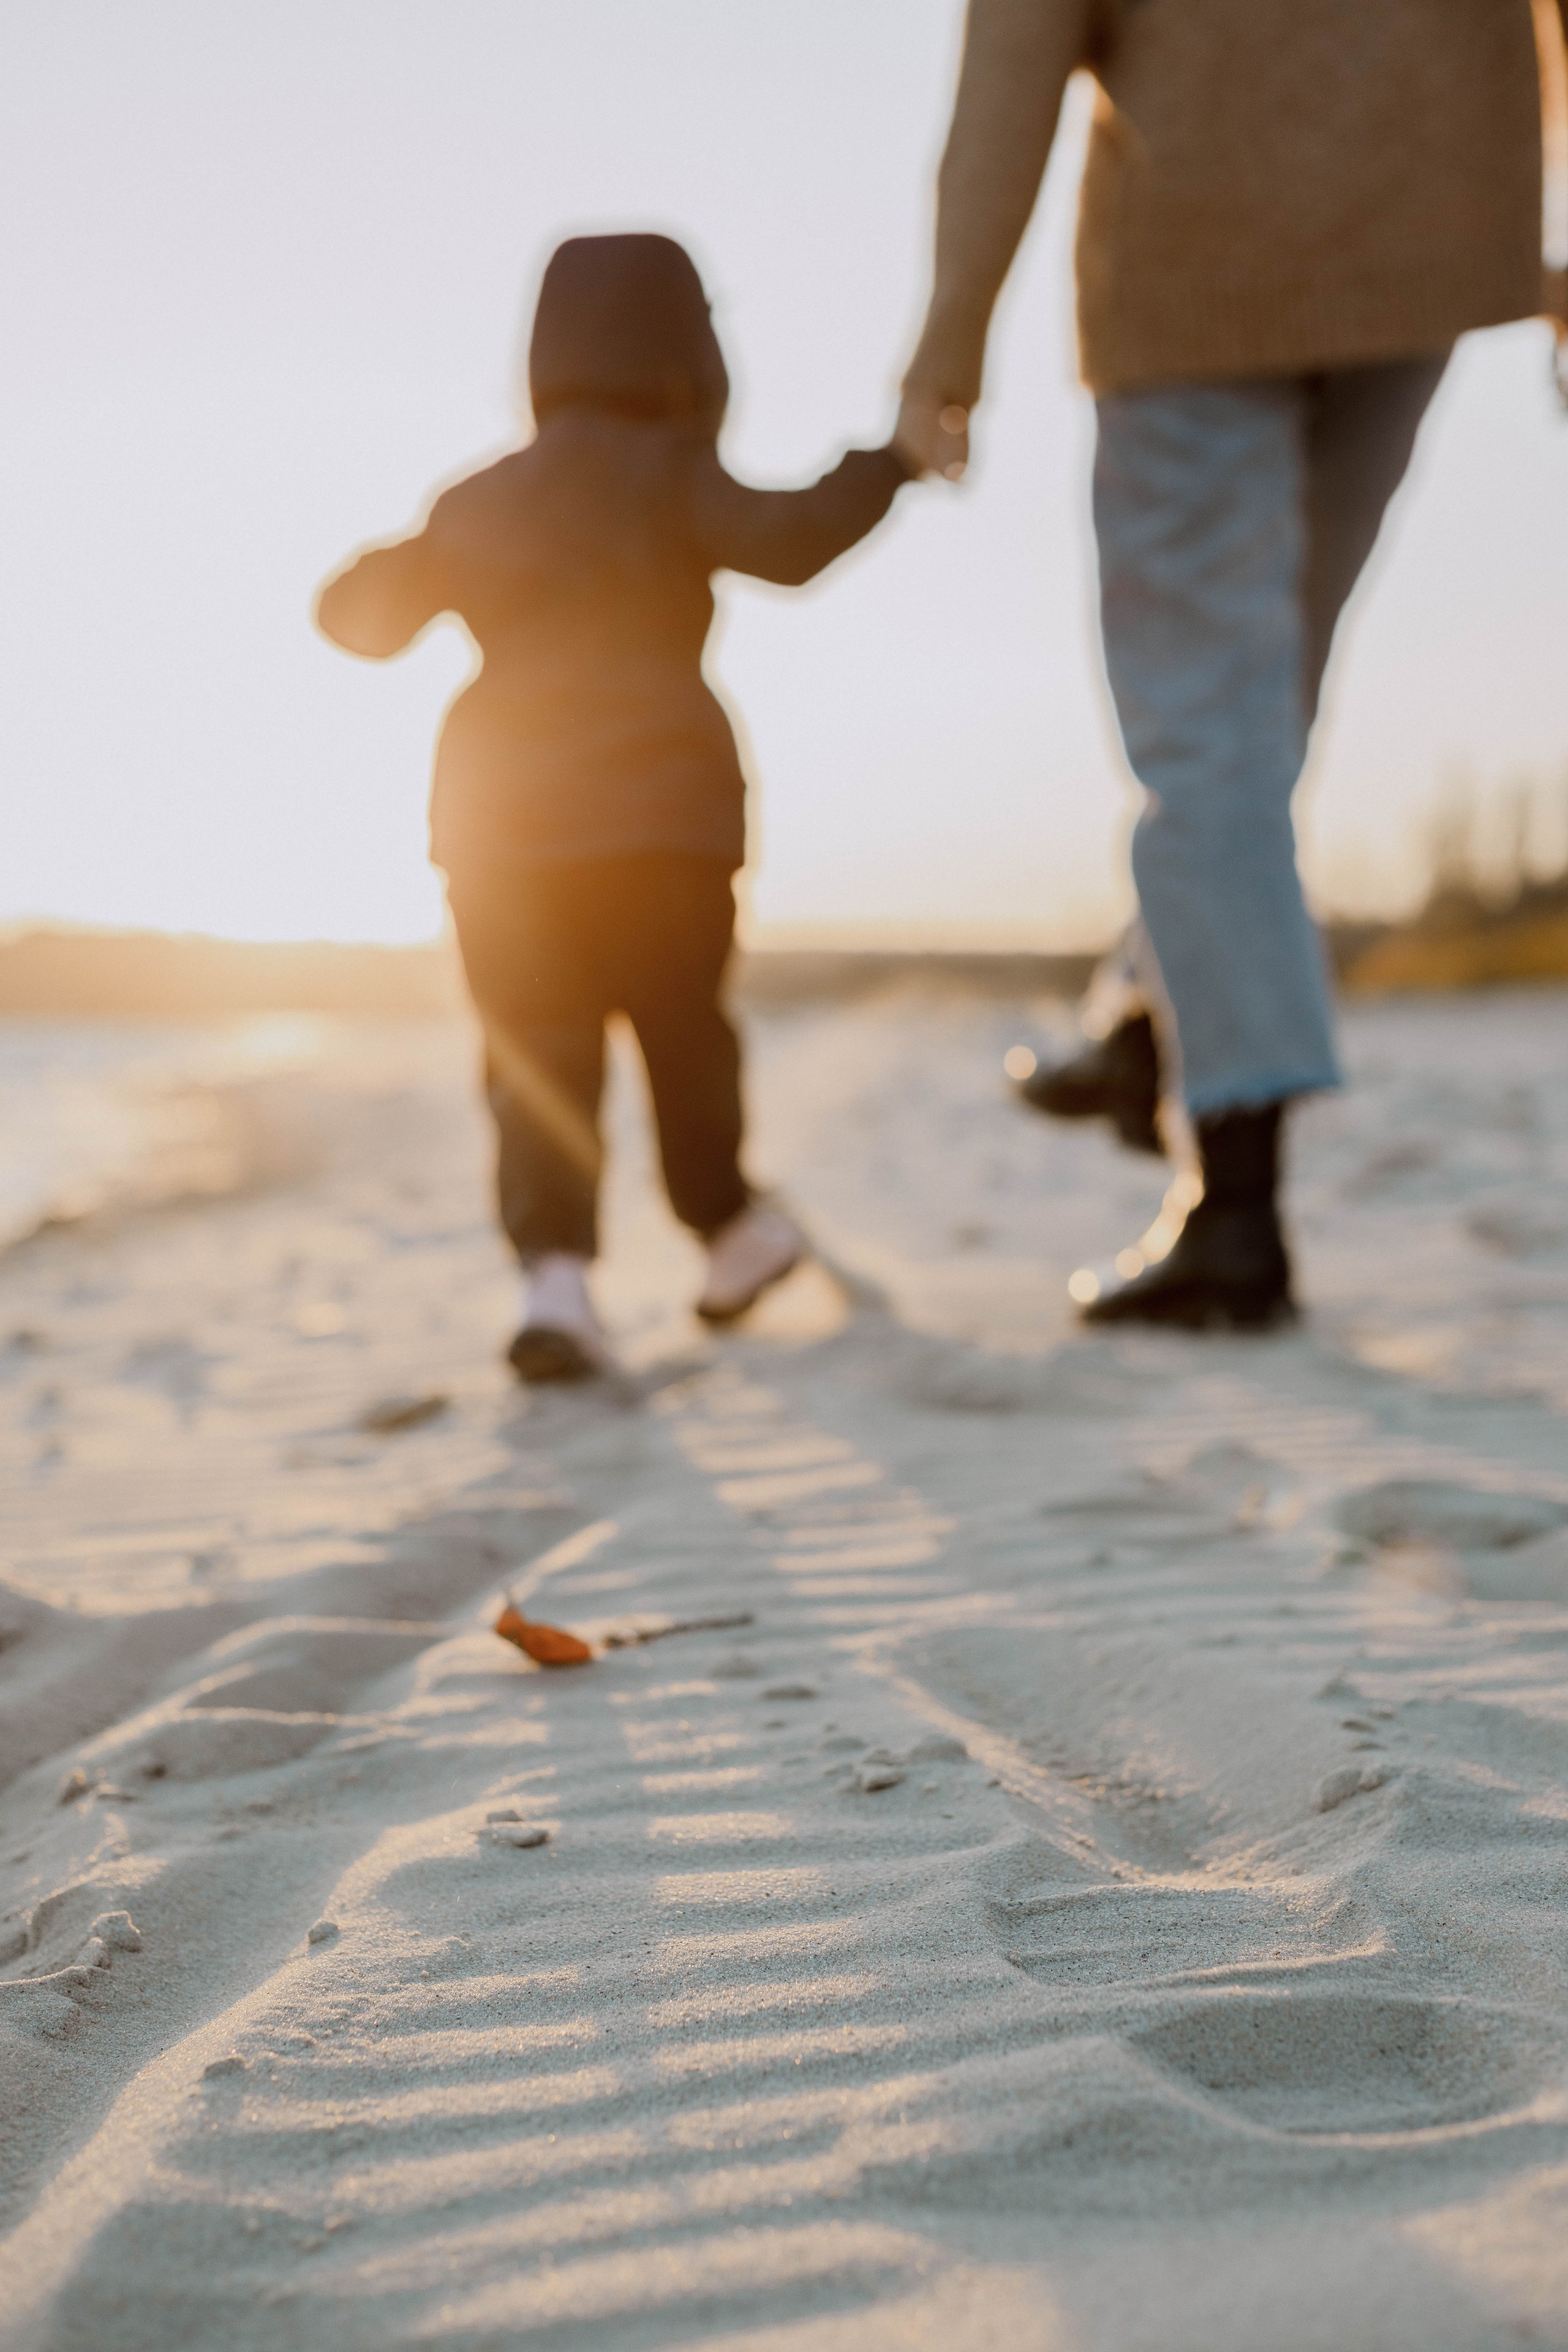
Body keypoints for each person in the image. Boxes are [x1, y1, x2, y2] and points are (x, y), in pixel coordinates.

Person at [896, 0, 1565, 1329]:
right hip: (1429, 242)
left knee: (1206, 731)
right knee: (1261, 703)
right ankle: (1150, 1014)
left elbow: (1017, 39)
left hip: (1195, 263)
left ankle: (1234, 1209)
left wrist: (949, 334)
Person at [317, 233, 913, 1379]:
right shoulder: (675, 474)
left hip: (503, 836)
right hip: (667, 824)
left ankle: (558, 1284)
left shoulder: (481, 498)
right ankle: (730, 1236)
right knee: (684, 1032)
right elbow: (794, 542)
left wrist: (372, 572)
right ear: (694, 349)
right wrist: (887, 463)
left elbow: (361, 619)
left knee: (535, 1051)